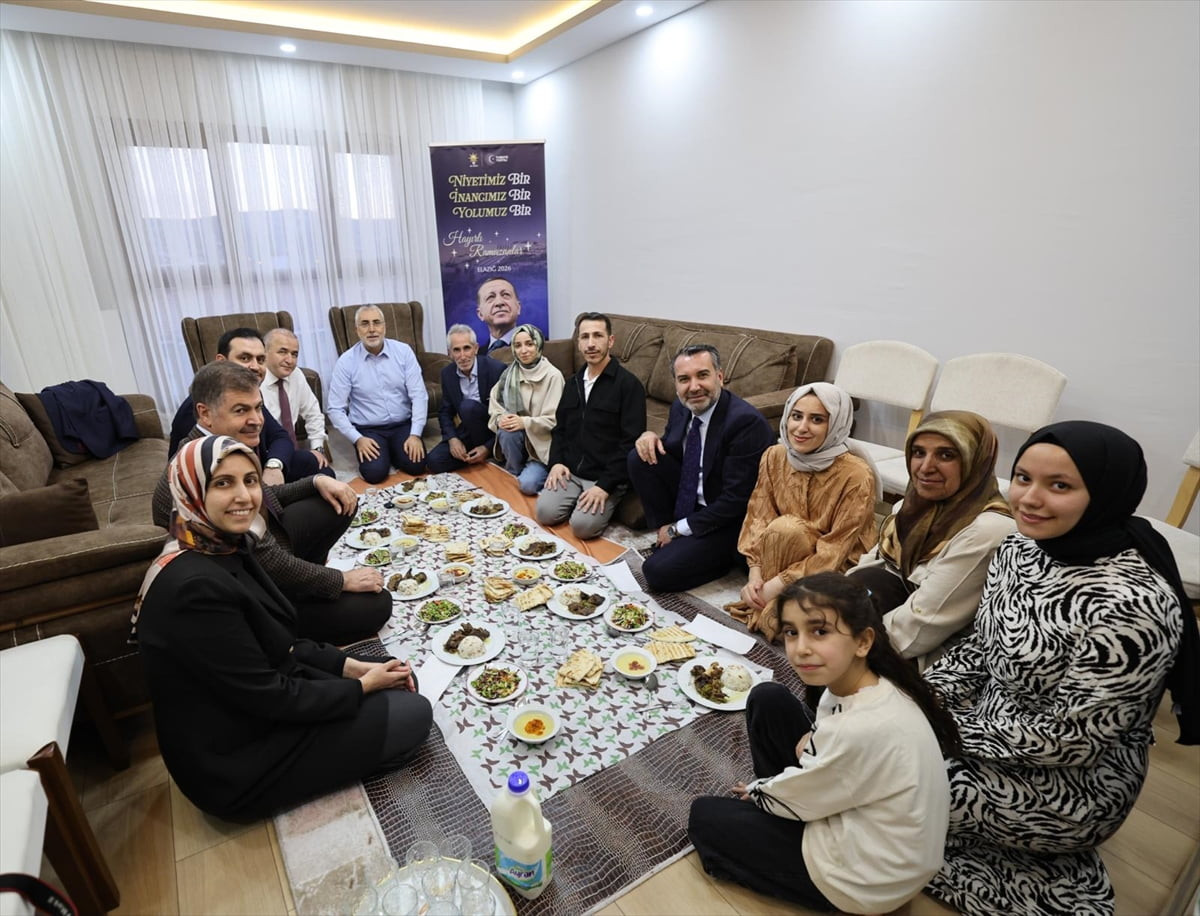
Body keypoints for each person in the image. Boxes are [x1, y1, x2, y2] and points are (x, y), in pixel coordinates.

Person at [924, 421, 1198, 915]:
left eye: (1060, 486)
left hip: (1075, 783)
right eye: (1023, 477)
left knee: (888, 775)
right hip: (988, 724)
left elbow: (1071, 740)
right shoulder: (1018, 548)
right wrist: (915, 698)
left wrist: (938, 730)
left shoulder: (1133, 605)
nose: (1029, 498)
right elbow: (978, 649)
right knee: (864, 733)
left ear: (1106, 495)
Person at [135, 435, 431, 821]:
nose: (244, 496)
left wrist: (350, 668)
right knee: (413, 715)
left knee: (393, 671)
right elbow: (271, 697)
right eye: (223, 483)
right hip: (236, 759)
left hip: (260, 700)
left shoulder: (225, 544)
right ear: (190, 490)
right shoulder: (195, 590)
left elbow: (280, 644)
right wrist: (362, 686)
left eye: (250, 480)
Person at [688, 573, 959, 913]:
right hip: (852, 813)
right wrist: (811, 748)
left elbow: (825, 772)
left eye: (820, 631)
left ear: (863, 642)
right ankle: (777, 815)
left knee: (705, 817)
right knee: (767, 697)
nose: (800, 648)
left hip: (870, 878)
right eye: (791, 632)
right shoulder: (869, 684)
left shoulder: (863, 727)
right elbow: (831, 756)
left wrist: (760, 791)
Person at [155, 362, 391, 645]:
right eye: (241, 410)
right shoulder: (200, 467)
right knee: (378, 604)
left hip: (257, 562)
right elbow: (266, 557)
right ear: (205, 413)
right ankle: (295, 622)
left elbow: (264, 496)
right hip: (251, 596)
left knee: (333, 497)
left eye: (258, 407)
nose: (257, 419)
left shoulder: (218, 448)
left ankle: (305, 586)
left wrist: (315, 482)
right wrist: (341, 580)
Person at [848, 411, 1015, 668]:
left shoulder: (987, 531)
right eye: (918, 453)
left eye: (946, 455)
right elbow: (872, 565)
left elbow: (922, 624)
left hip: (931, 658)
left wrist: (843, 642)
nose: (926, 467)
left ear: (975, 460)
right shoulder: (910, 507)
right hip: (890, 627)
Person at [726, 383, 877, 637]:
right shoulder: (774, 456)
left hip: (834, 564)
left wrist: (774, 585)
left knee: (776, 619)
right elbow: (758, 517)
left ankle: (777, 604)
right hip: (781, 552)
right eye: (796, 416)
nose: (801, 428)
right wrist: (755, 574)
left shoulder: (856, 474)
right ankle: (776, 603)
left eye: (816, 419)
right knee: (783, 531)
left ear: (837, 424)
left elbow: (835, 550)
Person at [627, 344, 774, 592]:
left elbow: (736, 501)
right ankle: (666, 531)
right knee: (639, 456)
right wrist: (649, 436)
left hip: (729, 518)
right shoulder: (681, 406)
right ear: (675, 384)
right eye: (684, 379)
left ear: (720, 377)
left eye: (702, 375)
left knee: (655, 572)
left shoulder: (745, 423)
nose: (693, 387)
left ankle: (723, 558)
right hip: (694, 498)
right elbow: (673, 452)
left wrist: (679, 529)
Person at [536, 313, 646, 539]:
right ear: (578, 343)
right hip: (572, 471)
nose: (591, 343)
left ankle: (609, 499)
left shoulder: (629, 386)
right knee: (545, 513)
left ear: (611, 341)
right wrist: (556, 463)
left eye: (598, 336)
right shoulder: (572, 383)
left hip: (605, 477)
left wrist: (605, 486)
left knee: (582, 527)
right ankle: (578, 498)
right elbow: (560, 430)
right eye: (584, 337)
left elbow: (629, 444)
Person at [168, 327, 297, 485]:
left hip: (256, 470)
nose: (255, 367)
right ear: (221, 361)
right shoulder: (195, 410)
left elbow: (280, 436)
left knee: (311, 463)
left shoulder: (250, 395)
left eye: (261, 360)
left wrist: (273, 466)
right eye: (245, 358)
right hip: (224, 483)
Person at [327, 306, 428, 483]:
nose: (372, 329)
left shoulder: (403, 352)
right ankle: (388, 452)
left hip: (402, 423)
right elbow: (335, 409)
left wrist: (415, 435)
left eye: (376, 323)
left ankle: (394, 450)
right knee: (374, 473)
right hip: (368, 429)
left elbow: (419, 395)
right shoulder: (346, 362)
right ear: (357, 330)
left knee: (417, 466)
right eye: (365, 324)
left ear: (384, 326)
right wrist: (358, 439)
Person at [488, 323, 564, 495]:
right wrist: (501, 418)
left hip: (542, 448)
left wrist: (524, 422)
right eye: (518, 345)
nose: (524, 350)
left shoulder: (553, 376)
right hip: (519, 442)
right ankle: (513, 469)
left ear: (539, 344)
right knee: (506, 430)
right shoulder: (509, 374)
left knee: (527, 486)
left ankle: (530, 472)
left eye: (529, 344)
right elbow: (495, 405)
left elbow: (555, 420)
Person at [426, 324, 505, 473]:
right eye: (457, 350)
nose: (462, 356)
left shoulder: (496, 370)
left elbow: (507, 415)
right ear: (450, 353)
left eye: (467, 348)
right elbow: (445, 412)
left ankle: (491, 452)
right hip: (468, 431)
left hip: (494, 431)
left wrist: (487, 447)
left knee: (468, 407)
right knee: (434, 462)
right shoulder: (447, 374)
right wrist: (453, 440)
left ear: (475, 349)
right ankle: (474, 456)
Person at [260, 327, 331, 479]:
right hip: (266, 458)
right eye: (282, 352)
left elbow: (313, 413)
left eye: (294, 354)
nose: (290, 360)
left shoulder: (296, 375)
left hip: (291, 452)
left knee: (327, 475)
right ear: (265, 353)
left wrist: (318, 448)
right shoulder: (255, 382)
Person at [476, 276, 522, 353]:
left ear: (518, 308)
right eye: (490, 297)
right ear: (480, 314)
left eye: (506, 295)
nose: (499, 302)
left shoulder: (541, 347)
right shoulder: (475, 358)